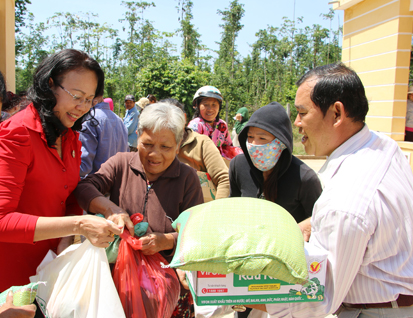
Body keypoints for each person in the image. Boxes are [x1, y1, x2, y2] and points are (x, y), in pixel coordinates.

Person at [248, 63, 413, 317]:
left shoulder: (346, 197)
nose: (297, 123)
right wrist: (309, 225)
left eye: (302, 112)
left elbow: (318, 298)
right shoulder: (381, 145)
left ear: (337, 113)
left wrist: (232, 293)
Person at [0, 49, 125, 295]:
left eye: (89, 99)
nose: (82, 107)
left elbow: (66, 193)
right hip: (11, 277)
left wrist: (103, 208)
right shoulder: (17, 133)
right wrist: (78, 225)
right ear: (50, 85)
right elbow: (2, 220)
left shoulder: (69, 137)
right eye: (76, 96)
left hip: (48, 270)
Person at [74, 102, 204, 317]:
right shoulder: (120, 163)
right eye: (148, 144)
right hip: (117, 283)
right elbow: (84, 188)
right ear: (137, 135)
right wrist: (111, 209)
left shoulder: (187, 178)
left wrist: (167, 240)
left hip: (166, 287)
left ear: (179, 144)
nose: (155, 155)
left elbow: (196, 230)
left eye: (166, 147)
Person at [161, 98, 230, 200]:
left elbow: (224, 179)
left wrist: (216, 212)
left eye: (173, 119)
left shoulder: (202, 143)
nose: (168, 124)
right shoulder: (152, 145)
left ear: (184, 118)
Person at [78, 94, 129, 178]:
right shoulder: (119, 121)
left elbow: (83, 167)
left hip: (96, 184)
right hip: (116, 183)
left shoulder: (89, 120)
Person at [187, 85, 236, 159]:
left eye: (214, 104)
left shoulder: (222, 125)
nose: (210, 109)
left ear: (219, 107)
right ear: (198, 106)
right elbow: (190, 152)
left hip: (219, 164)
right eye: (205, 104)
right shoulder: (195, 125)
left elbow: (228, 146)